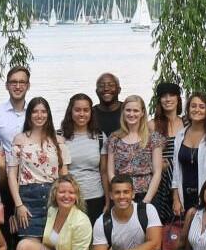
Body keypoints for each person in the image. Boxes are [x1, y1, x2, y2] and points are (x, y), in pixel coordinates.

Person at [8, 97, 69, 239]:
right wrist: (19, 205)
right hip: (28, 199)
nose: (39, 115)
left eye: (43, 111)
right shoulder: (19, 140)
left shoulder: (58, 141)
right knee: (27, 244)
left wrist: (65, 203)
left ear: (48, 114)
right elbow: (12, 175)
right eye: (35, 111)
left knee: (54, 245)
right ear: (29, 114)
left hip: (54, 198)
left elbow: (64, 175)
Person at [172, 93, 206, 214]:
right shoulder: (180, 135)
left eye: (202, 107)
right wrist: (176, 198)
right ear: (188, 109)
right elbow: (176, 170)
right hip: (184, 196)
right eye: (193, 106)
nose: (197, 109)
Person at [107, 95, 164, 207]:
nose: (131, 114)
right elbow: (110, 172)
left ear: (142, 112)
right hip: (122, 196)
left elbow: (157, 172)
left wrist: (146, 201)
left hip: (147, 195)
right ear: (123, 112)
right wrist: (119, 193)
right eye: (128, 110)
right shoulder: (114, 138)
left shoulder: (153, 138)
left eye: (135, 111)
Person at [61, 93, 108, 222]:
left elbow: (103, 172)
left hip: (95, 196)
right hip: (69, 197)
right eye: (77, 110)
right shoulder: (60, 136)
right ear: (71, 111)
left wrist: (108, 201)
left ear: (91, 112)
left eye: (86, 110)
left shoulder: (99, 136)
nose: (82, 114)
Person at [149, 83, 184, 223]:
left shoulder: (186, 122)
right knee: (159, 221)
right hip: (161, 179)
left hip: (181, 176)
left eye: (171, 95)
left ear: (178, 99)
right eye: (163, 96)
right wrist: (156, 166)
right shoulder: (152, 125)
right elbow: (143, 155)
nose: (168, 99)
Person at [0, 66, 31, 160]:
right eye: (13, 82)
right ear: (7, 86)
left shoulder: (34, 114)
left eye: (22, 82)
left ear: (28, 86)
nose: (18, 86)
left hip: (32, 171)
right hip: (4, 171)